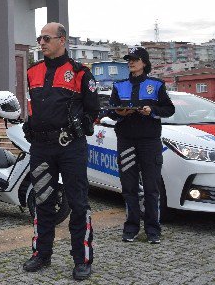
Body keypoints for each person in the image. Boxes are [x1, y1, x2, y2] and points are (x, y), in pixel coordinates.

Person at [22, 22, 100, 281]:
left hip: (70, 147)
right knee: (43, 201)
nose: (41, 42)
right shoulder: (32, 71)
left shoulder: (79, 73)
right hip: (41, 147)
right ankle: (41, 254)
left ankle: (82, 259)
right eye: (39, 38)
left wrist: (80, 126)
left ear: (62, 40)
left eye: (46, 38)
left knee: (78, 203)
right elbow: (32, 106)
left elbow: (93, 110)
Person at [107, 47, 174, 245]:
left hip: (150, 142)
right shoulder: (119, 85)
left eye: (135, 59)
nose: (131, 62)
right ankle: (131, 227)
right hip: (126, 141)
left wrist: (152, 110)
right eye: (129, 59)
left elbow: (169, 109)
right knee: (129, 187)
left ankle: (153, 230)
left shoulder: (156, 84)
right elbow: (110, 111)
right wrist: (120, 113)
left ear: (144, 62)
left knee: (152, 188)